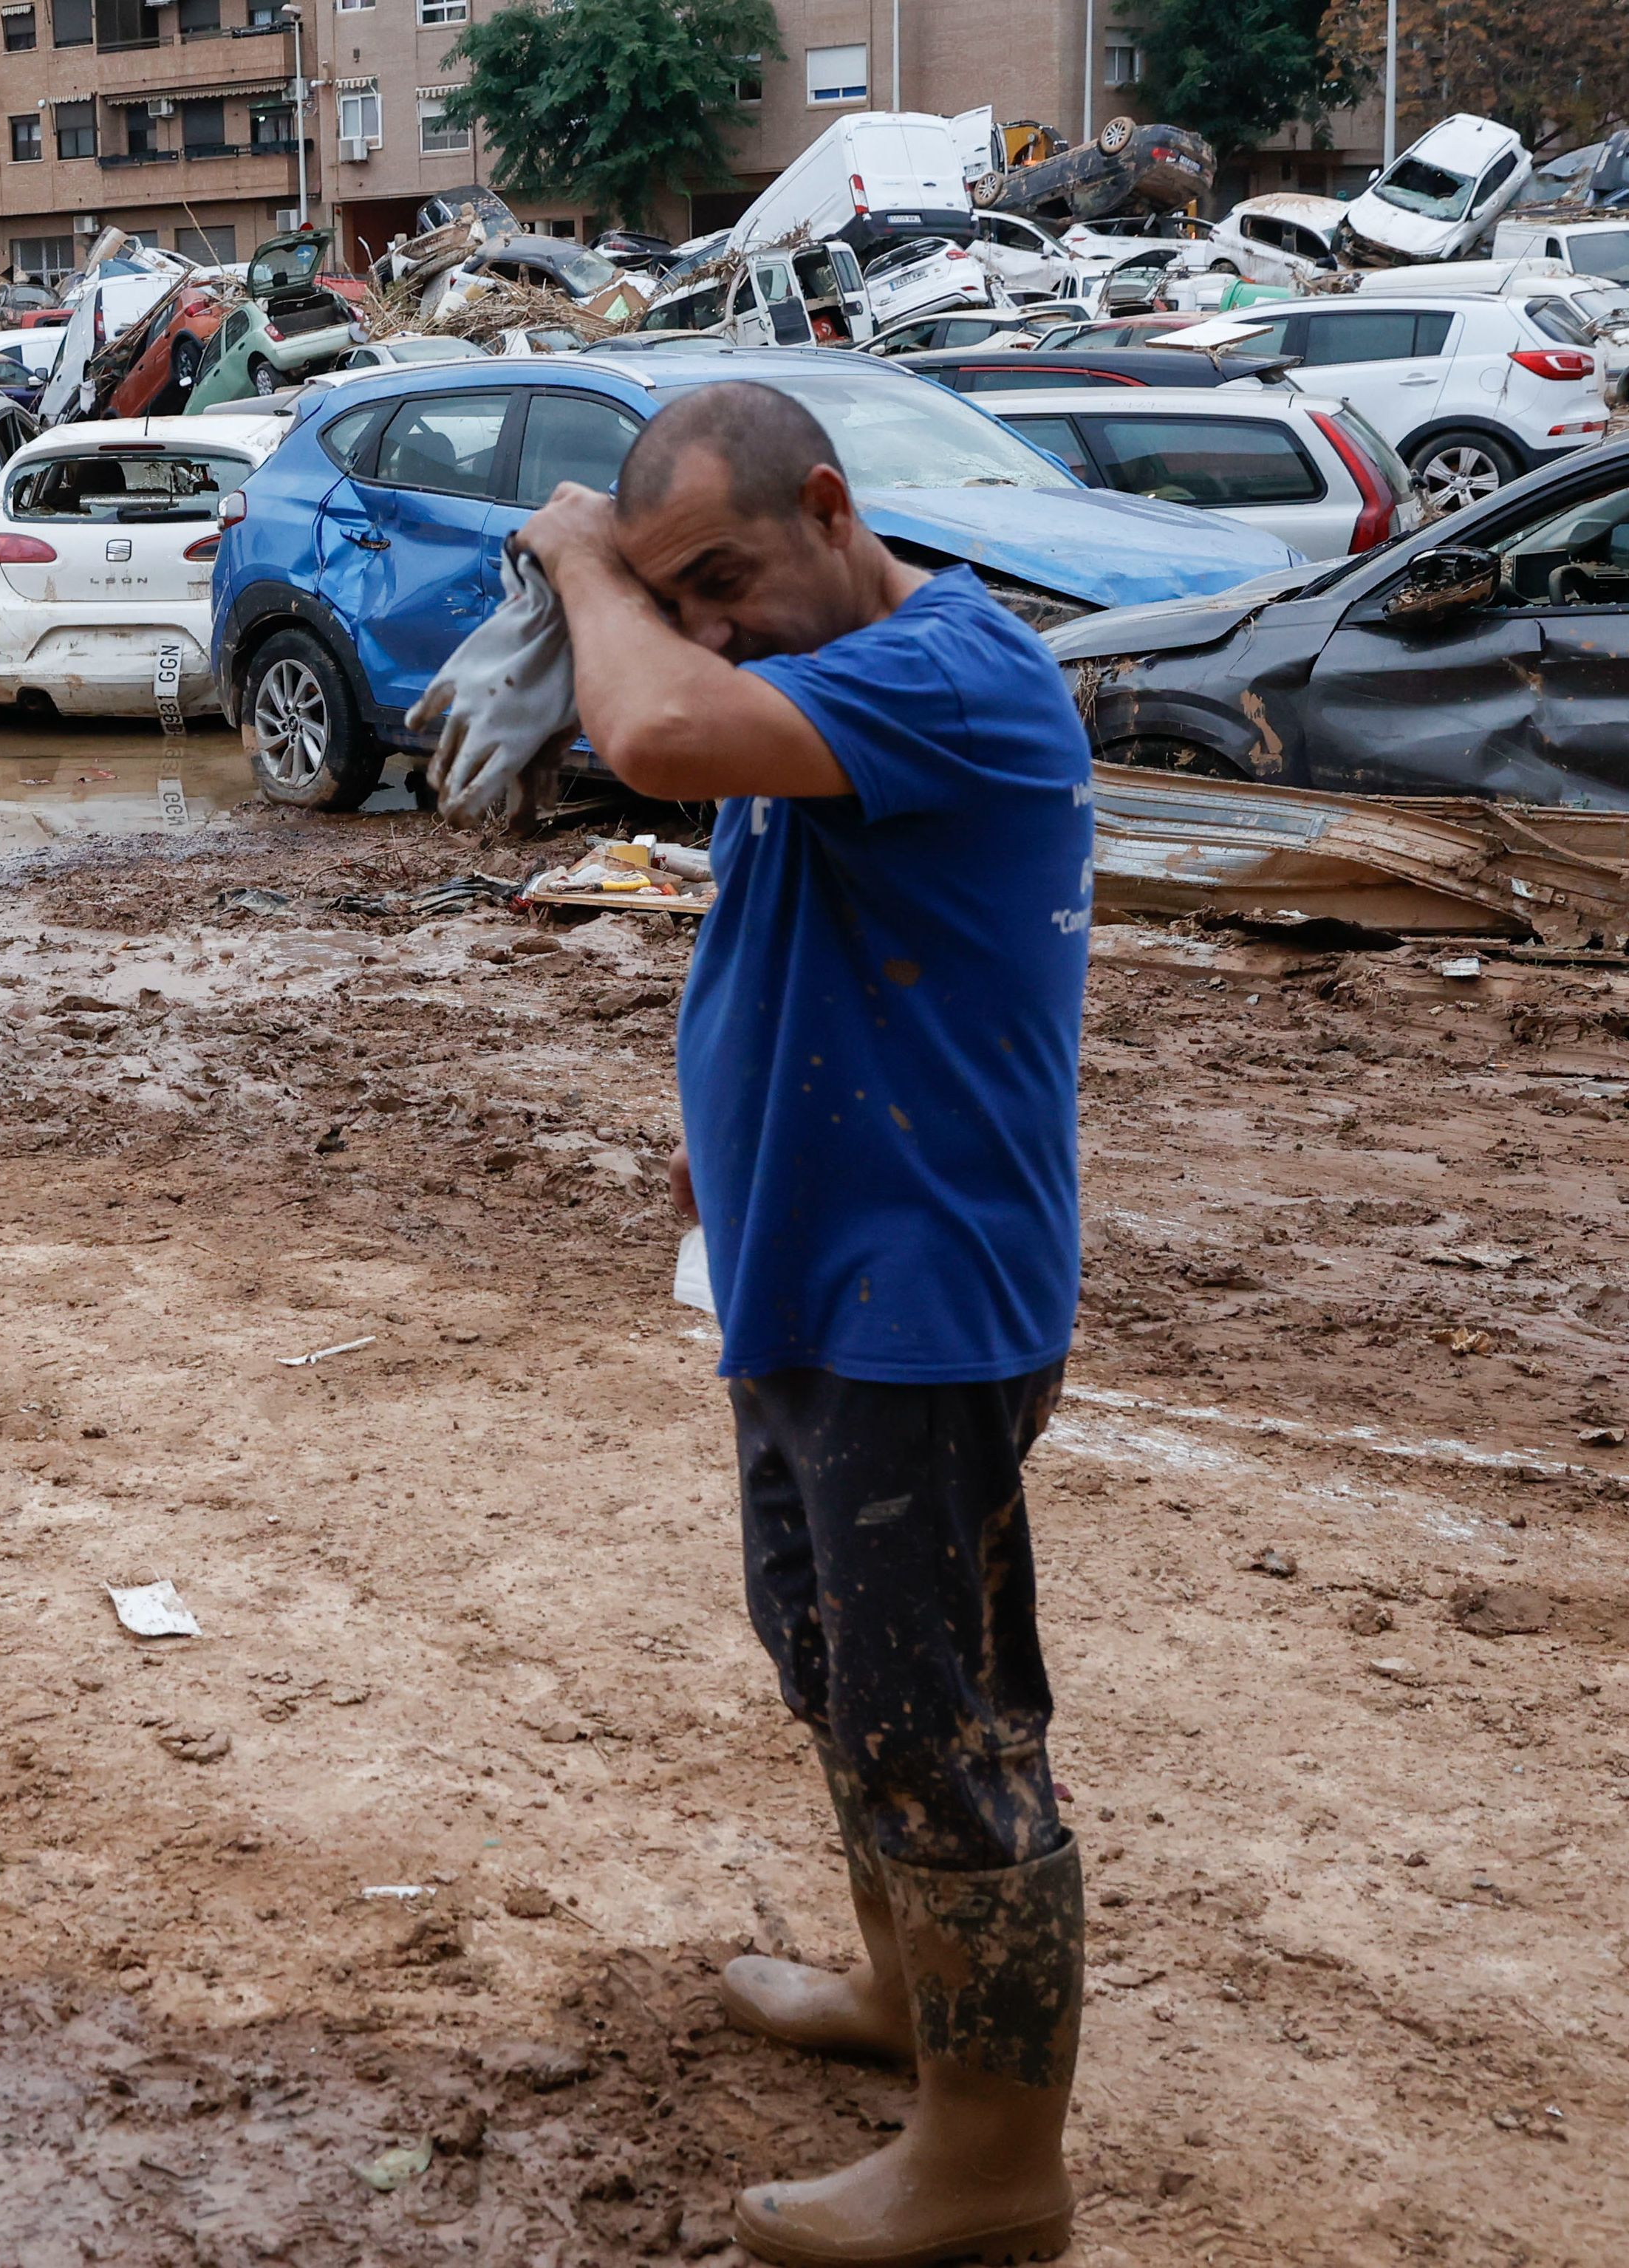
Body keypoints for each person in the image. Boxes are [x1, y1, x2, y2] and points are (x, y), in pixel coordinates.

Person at [511, 380, 1093, 2268]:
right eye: (674, 592)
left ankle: (992, 2161)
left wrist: (586, 563)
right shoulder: (828, 692)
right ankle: (901, 1988)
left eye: (720, 575)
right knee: (829, 1657)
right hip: (807, 1263)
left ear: (829, 506)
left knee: (939, 1717)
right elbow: (760, 915)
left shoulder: (950, 673)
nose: (702, 625)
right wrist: (715, 1136)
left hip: (918, 1297)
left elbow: (653, 728)